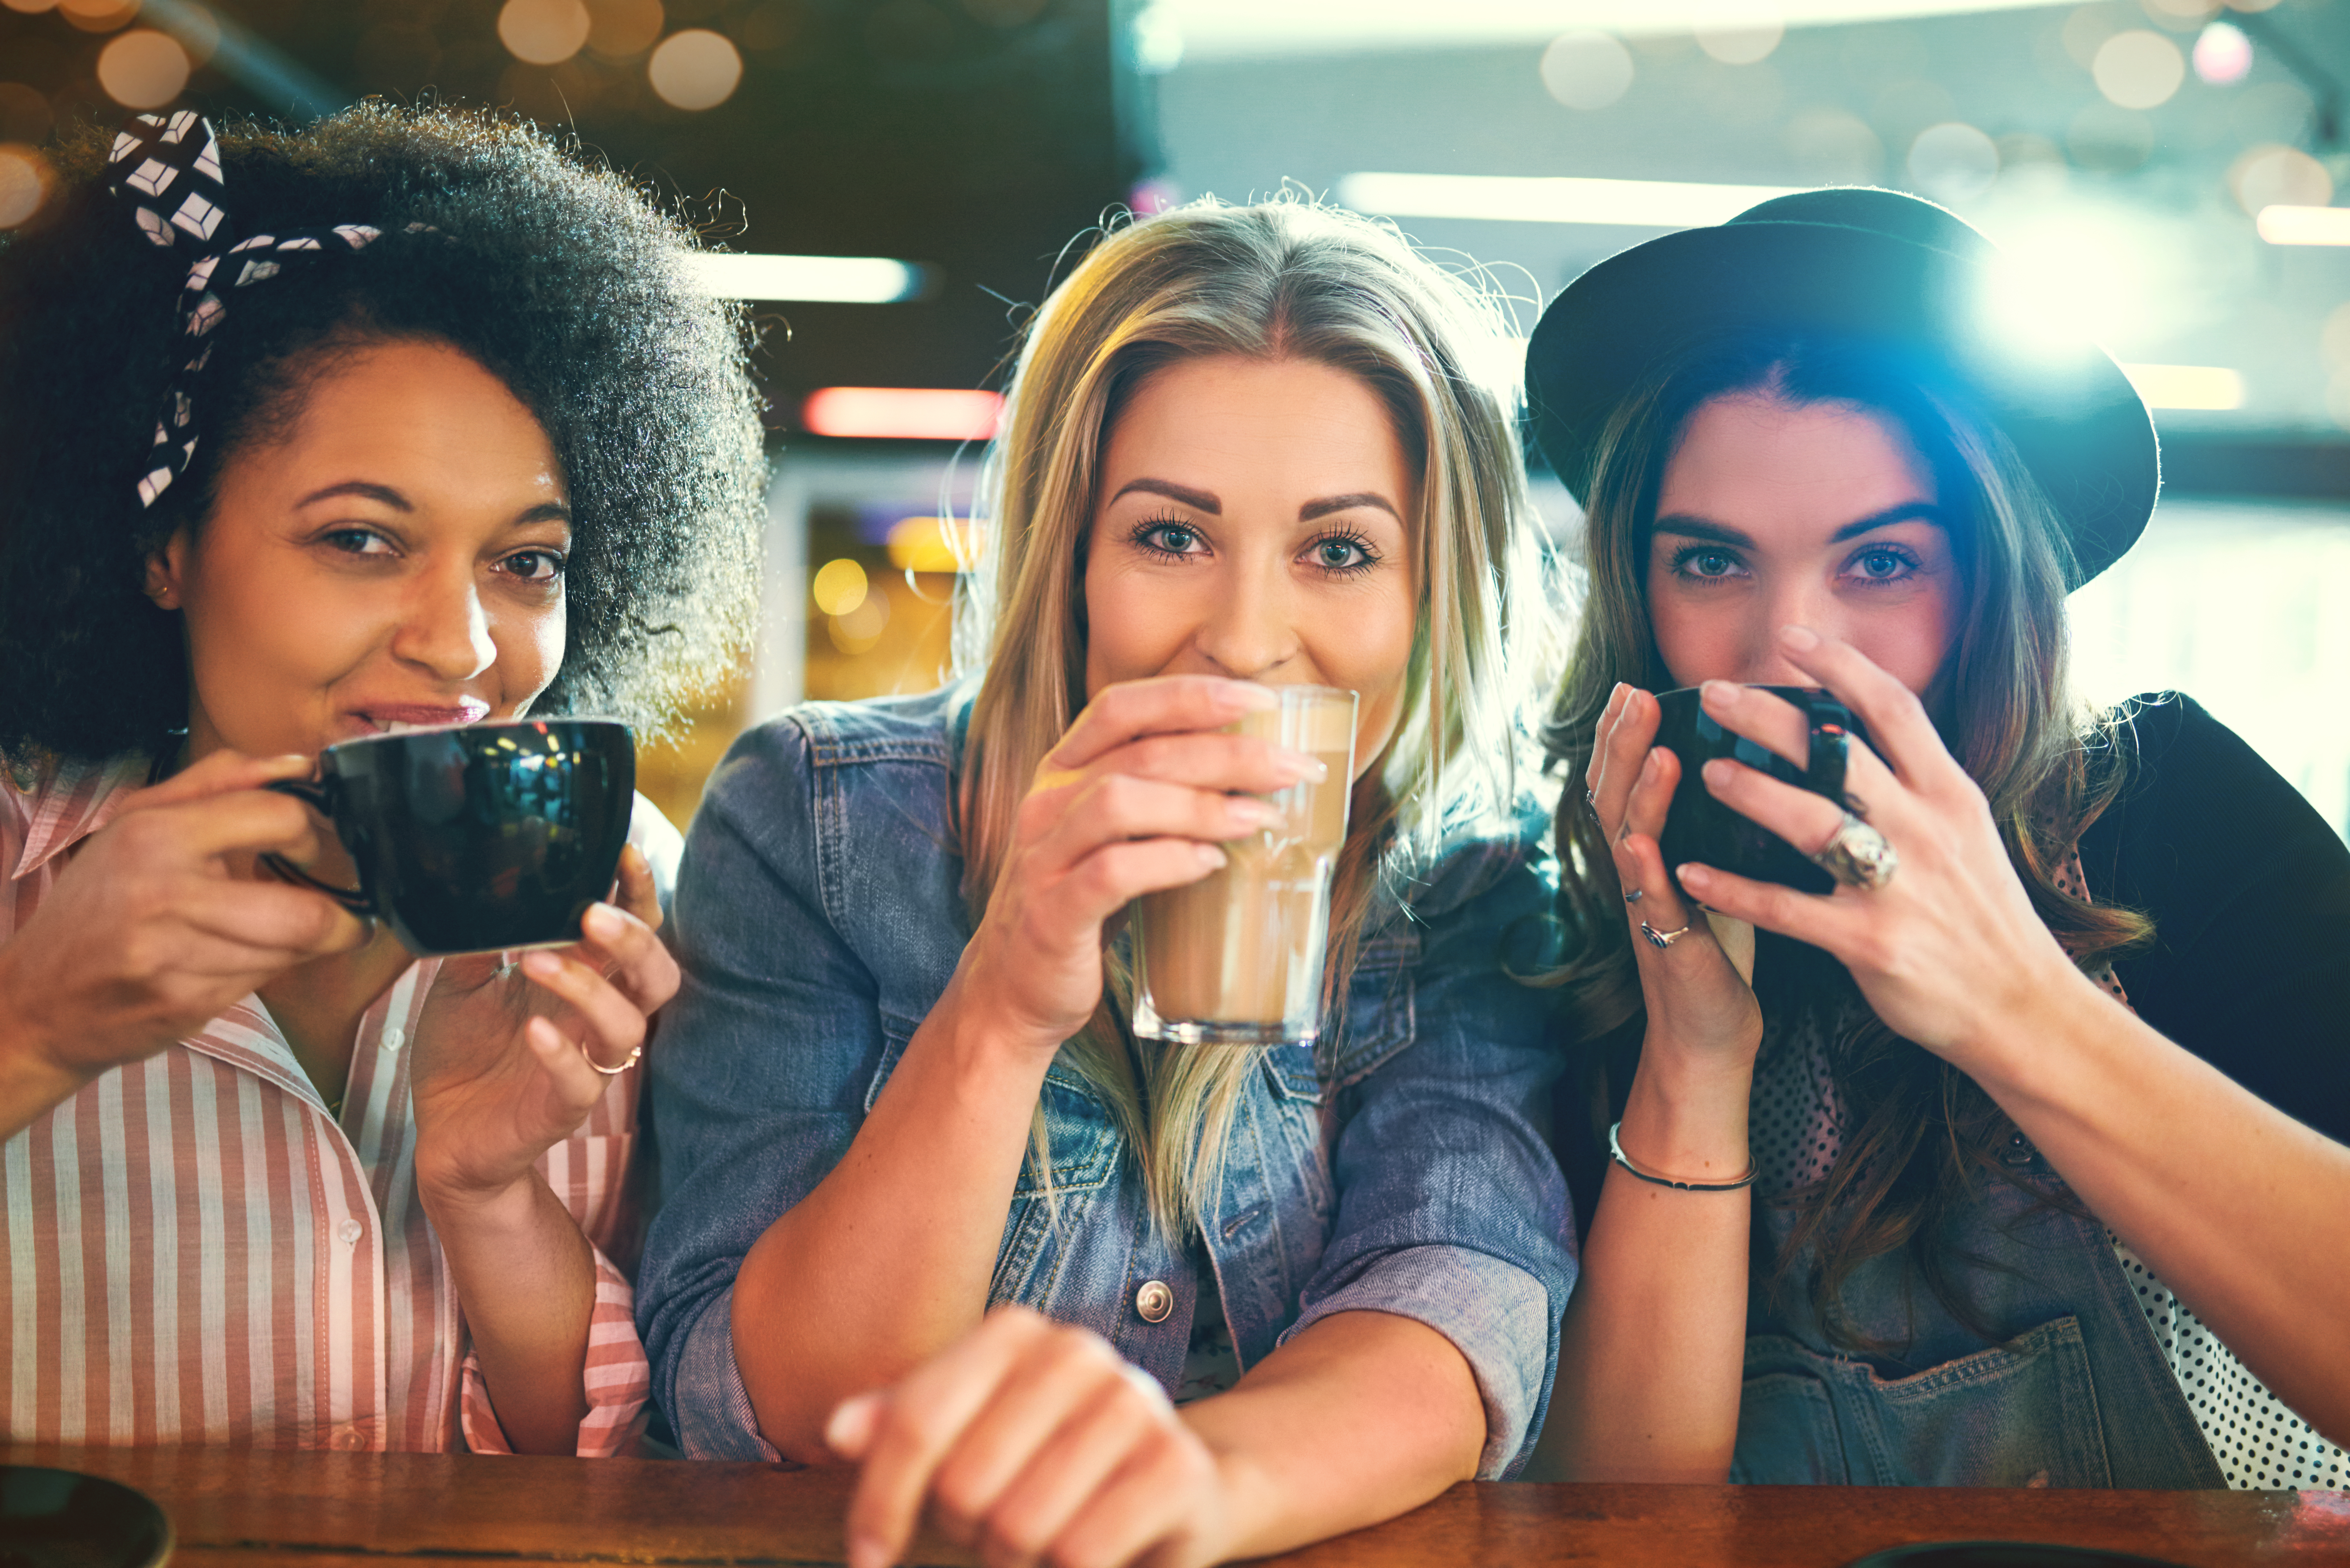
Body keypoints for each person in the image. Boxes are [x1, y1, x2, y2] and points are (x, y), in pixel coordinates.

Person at [638, 199, 1572, 1566]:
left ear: (1429, 592)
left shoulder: (1472, 888)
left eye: (1340, 551)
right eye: (1171, 537)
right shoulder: (821, 819)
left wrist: (1182, 1487)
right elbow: (773, 1404)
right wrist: (1005, 1000)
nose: (1246, 641)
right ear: (1067, 556)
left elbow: (1449, 1317)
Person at [1523, 187, 2350, 1490]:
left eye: (1882, 564)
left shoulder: (2159, 806)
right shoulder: (1572, 935)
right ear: (1634, 588)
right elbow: (1622, 1515)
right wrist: (1691, 1052)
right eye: (1709, 564)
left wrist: (2012, 1001)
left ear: (1991, 589)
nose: (1788, 650)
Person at [0, 105, 764, 1453]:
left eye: (526, 560)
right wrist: (33, 1036)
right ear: (165, 547)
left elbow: (633, 1480)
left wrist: (492, 1195)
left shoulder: (622, 888)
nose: (465, 645)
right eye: (360, 538)